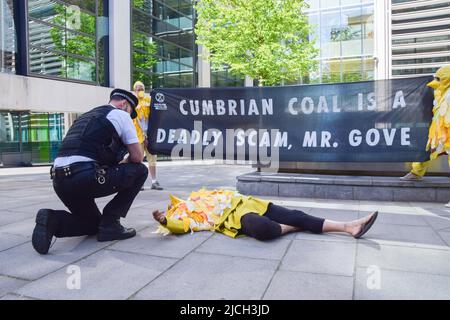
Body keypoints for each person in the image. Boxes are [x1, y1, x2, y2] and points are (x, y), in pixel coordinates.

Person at [32, 89, 148, 255]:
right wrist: (127, 159)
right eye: (130, 112)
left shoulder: (85, 117)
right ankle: (111, 223)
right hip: (85, 177)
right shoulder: (121, 115)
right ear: (124, 104)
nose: (130, 117)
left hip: (60, 181)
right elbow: (137, 157)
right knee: (140, 170)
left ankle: (53, 220)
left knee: (92, 224)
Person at [152, 189, 378, 240]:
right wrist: (165, 221)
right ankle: (294, 227)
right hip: (237, 219)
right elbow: (181, 227)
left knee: (296, 214)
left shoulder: (201, 193)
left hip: (252, 203)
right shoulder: (185, 217)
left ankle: (350, 226)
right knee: (264, 230)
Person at [401, 65, 450, 206]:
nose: (435, 82)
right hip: (440, 134)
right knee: (427, 150)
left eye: (439, 79)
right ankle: (416, 173)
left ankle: (416, 173)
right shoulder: (440, 93)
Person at [132, 81, 163, 191]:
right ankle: (139, 183)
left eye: (142, 89)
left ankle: (154, 181)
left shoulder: (149, 100)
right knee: (138, 159)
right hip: (138, 136)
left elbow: (155, 115)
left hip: (150, 135)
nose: (140, 91)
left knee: (152, 159)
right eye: (138, 89)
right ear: (134, 90)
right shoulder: (132, 102)